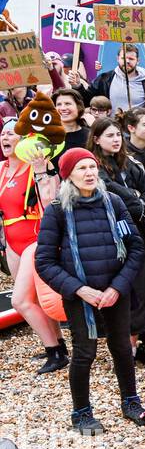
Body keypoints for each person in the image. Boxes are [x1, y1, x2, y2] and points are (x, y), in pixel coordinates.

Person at [35, 147, 145, 435]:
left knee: (123, 348)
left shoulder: (113, 202)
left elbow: (135, 248)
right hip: (80, 295)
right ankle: (81, 412)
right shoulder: (57, 210)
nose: (89, 173)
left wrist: (117, 288)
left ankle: (130, 402)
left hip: (115, 291)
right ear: (68, 175)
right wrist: (79, 290)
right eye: (81, 168)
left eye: (91, 167)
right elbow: (45, 262)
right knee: (84, 353)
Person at [0, 119, 67, 373]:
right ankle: (58, 344)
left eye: (12, 134)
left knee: (20, 301)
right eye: (3, 133)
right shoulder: (1, 169)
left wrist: (41, 170)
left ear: (24, 140)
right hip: (11, 240)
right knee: (35, 299)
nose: (6, 138)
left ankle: (55, 352)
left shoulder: (37, 166)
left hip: (35, 238)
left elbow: (51, 202)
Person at [89, 116, 145, 345]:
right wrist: (135, 200)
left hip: (138, 230)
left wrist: (140, 203)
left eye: (118, 135)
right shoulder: (93, 166)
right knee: (122, 287)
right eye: (110, 135)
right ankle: (123, 344)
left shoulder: (129, 163)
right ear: (97, 139)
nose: (116, 139)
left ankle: (139, 340)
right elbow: (110, 191)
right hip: (109, 234)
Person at [89, 46, 145, 113]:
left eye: (131, 59)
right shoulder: (104, 79)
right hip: (111, 124)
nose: (127, 61)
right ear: (118, 59)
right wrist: (78, 86)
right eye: (123, 58)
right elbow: (87, 97)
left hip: (137, 124)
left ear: (138, 61)